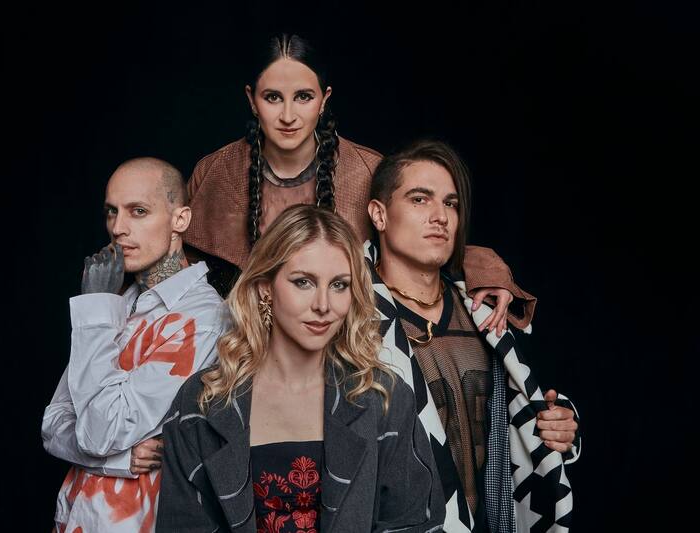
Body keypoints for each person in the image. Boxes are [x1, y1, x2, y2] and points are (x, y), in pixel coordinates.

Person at [183, 33, 534, 340]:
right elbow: (180, 271)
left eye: (303, 97)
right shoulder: (214, 172)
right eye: (273, 97)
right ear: (251, 99)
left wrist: (485, 269)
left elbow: (419, 236)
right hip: (235, 348)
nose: (288, 115)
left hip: (341, 351)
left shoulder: (366, 170)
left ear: (324, 99)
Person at [157, 205, 445, 532]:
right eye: (303, 282)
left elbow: (416, 523)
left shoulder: (383, 397)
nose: (323, 305)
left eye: (339, 285)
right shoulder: (202, 402)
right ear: (265, 287)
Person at [365, 140, 580, 532]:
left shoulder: (488, 314)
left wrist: (557, 424)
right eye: (419, 199)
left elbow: (526, 413)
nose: (440, 217)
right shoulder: (349, 319)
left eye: (450, 203)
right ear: (379, 215)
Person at [42, 157, 229, 532]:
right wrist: (116, 460)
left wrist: (96, 306)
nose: (118, 228)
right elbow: (53, 424)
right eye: (112, 212)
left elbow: (100, 432)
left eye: (138, 211)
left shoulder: (202, 317)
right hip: (78, 518)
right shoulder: (120, 302)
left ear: (180, 219)